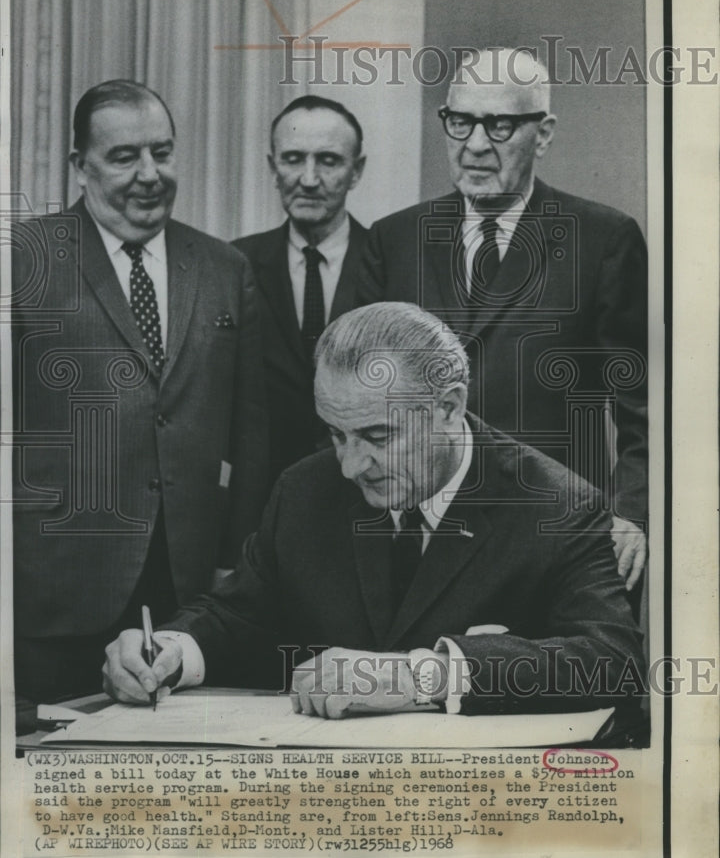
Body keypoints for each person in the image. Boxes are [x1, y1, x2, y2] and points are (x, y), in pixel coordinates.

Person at [103, 302, 644, 720]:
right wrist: (170, 651)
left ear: (449, 408)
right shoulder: (303, 490)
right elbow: (239, 615)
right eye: (336, 435)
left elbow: (611, 663)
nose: (349, 466)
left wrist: (422, 676)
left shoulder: (556, 504)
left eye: (377, 436)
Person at [356, 48, 648, 596]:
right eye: (461, 121)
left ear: (543, 133)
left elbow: (644, 405)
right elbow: (355, 396)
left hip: (555, 538)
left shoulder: (603, 240)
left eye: (500, 125)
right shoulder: (392, 241)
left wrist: (632, 513)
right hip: (421, 538)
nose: (475, 144)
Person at [12, 80, 267, 704]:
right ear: (80, 167)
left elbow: (253, 433)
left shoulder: (223, 268)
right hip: (55, 596)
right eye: (124, 157)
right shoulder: (22, 260)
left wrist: (235, 563)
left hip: (189, 593)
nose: (149, 174)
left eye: (162, 151)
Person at [232, 96, 368, 480]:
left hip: (363, 490)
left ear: (356, 171)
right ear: (273, 169)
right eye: (293, 159)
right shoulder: (233, 264)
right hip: (261, 499)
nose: (309, 179)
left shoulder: (390, 261)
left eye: (328, 160)